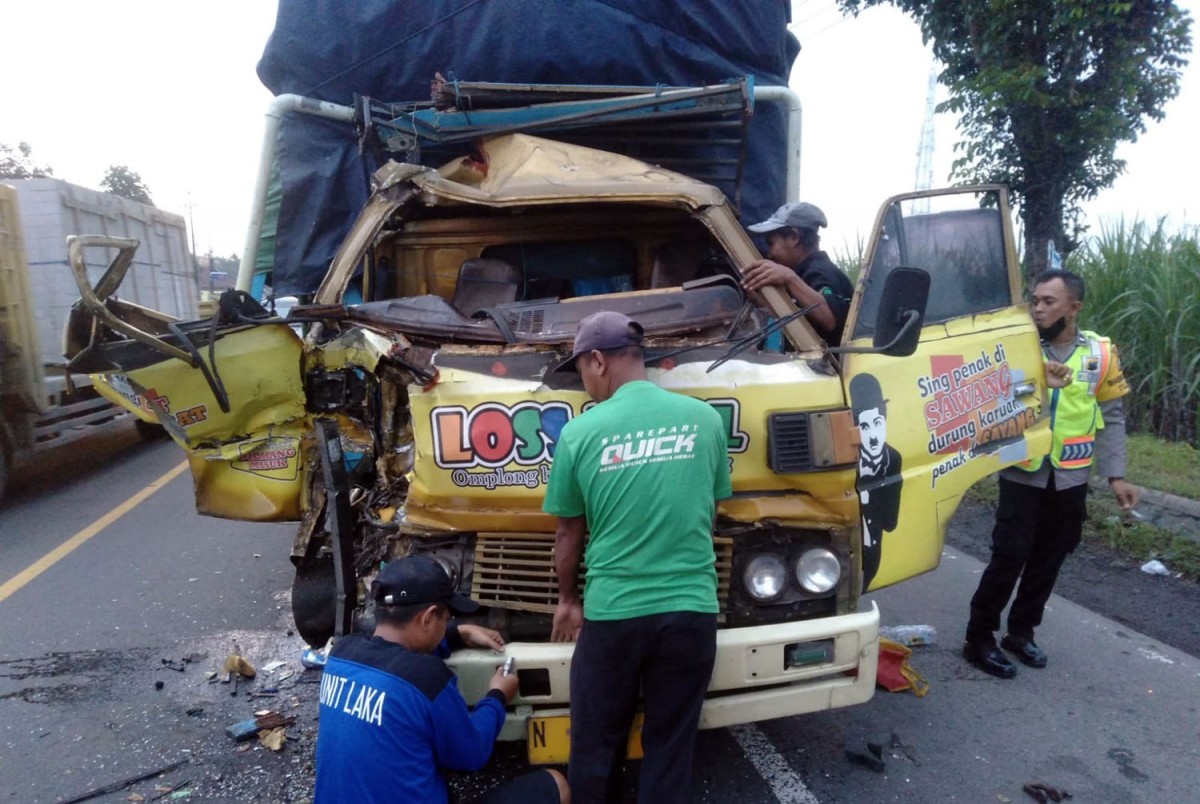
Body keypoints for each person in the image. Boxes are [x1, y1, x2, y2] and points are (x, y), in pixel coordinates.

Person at [544, 311, 732, 804]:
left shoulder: (581, 434)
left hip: (614, 614)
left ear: (598, 361)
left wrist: (567, 600)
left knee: (596, 742)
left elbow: (568, 532)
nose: (584, 383)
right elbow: (709, 511)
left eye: (581, 370)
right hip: (692, 610)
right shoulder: (706, 420)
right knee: (670, 744)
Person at [963, 269, 1138, 679]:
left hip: (1071, 478)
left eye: (1049, 302)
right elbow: (989, 401)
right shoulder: (1015, 349)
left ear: (1074, 308)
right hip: (1023, 473)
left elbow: (1112, 416)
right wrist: (1036, 378)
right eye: (1035, 300)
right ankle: (979, 638)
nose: (1038, 309)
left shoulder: (1101, 354)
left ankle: (1021, 633)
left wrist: (1117, 475)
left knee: (1049, 559)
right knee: (1009, 556)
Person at [313, 555, 569, 804]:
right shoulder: (427, 679)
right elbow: (471, 754)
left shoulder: (341, 654)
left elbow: (393, 654)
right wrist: (497, 696)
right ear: (427, 617)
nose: (448, 623)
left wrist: (457, 632)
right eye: (447, 618)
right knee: (556, 784)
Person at [742, 201, 854, 346]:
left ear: (794, 238)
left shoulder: (819, 271)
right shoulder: (804, 274)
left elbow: (829, 319)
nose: (769, 254)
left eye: (771, 243)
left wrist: (789, 278)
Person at [849, 373, 903, 591]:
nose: (873, 436)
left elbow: (890, 523)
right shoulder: (847, 459)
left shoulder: (893, 459)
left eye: (877, 423)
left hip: (874, 550)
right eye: (865, 427)